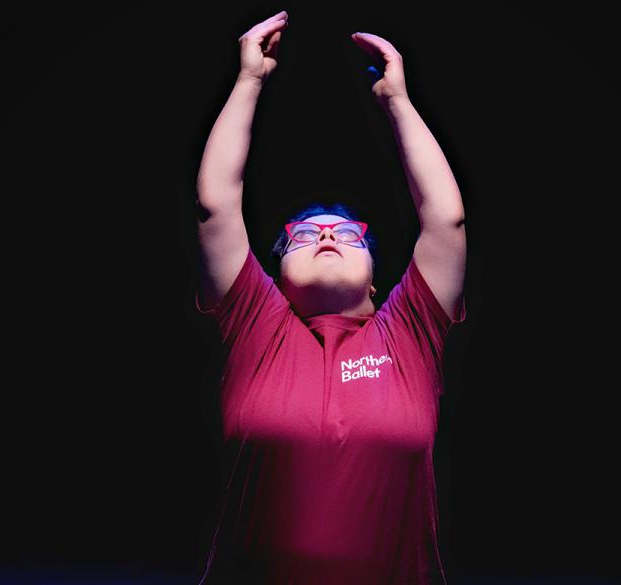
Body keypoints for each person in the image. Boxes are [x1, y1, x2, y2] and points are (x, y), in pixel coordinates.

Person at [192, 10, 467, 584]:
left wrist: (397, 99)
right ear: (274, 273)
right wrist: (248, 82)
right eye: (303, 233)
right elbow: (217, 204)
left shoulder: (409, 330)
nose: (324, 234)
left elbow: (446, 219)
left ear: (374, 279)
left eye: (345, 233)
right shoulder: (256, 326)